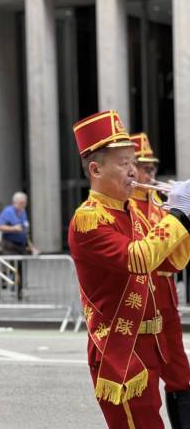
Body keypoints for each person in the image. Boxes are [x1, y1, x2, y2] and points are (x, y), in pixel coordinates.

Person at [68, 110, 190, 428]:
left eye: (133, 162)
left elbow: (170, 262)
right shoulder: (89, 219)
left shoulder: (132, 212)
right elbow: (139, 259)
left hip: (149, 342)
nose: (134, 171)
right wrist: (178, 216)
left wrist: (183, 221)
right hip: (119, 349)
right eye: (124, 163)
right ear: (95, 169)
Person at [130, 132, 190, 428]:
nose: (150, 173)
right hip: (140, 295)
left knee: (179, 369)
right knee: (146, 372)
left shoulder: (160, 204)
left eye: (153, 168)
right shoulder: (126, 206)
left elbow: (175, 257)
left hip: (165, 293)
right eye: (144, 167)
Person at [0, 192, 38, 300]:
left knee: (19, 268)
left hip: (21, 245)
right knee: (11, 268)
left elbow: (25, 232)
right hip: (9, 245)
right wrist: (13, 228)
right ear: (15, 202)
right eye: (21, 203)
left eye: (24, 203)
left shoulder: (23, 212)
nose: (23, 205)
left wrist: (31, 246)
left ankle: (19, 293)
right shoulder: (8, 211)